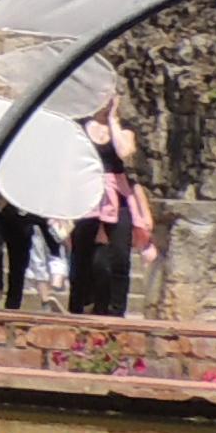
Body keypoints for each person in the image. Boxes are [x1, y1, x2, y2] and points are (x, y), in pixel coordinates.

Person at [66, 104, 147, 317]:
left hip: (117, 196)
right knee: (83, 255)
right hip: (87, 195)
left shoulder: (124, 128)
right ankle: (80, 306)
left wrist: (112, 120)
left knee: (120, 256)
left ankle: (116, 311)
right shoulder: (80, 127)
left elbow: (125, 152)